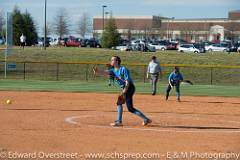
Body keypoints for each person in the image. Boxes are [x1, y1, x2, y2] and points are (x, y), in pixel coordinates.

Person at [94, 56, 152, 127]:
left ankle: (119, 121)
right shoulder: (113, 70)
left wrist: (125, 90)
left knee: (122, 104)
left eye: (113, 60)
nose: (111, 61)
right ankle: (146, 119)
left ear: (117, 61)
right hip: (125, 88)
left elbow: (127, 81)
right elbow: (105, 72)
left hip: (129, 87)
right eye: (111, 60)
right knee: (129, 108)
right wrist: (98, 71)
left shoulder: (123, 69)